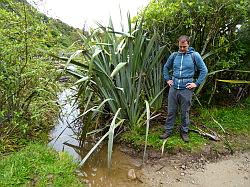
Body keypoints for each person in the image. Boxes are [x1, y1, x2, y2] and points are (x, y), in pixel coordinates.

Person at [160, 35, 208, 142]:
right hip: (174, 88)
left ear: (188, 44)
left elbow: (204, 70)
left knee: (185, 111)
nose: (182, 49)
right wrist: (168, 79)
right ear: (178, 44)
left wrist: (196, 83)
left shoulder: (194, 55)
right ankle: (168, 131)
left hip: (186, 89)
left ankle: (184, 132)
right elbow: (166, 67)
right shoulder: (174, 55)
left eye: (184, 47)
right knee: (171, 111)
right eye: (180, 46)